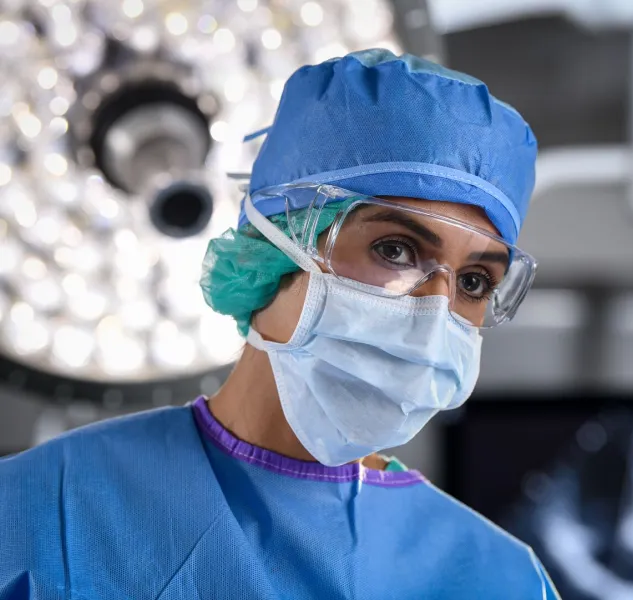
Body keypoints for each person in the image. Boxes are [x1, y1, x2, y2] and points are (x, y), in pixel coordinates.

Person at [0, 50, 560, 599]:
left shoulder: (500, 579)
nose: (436, 310)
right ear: (279, 243)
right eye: (395, 250)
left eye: (473, 282)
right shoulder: (42, 509)